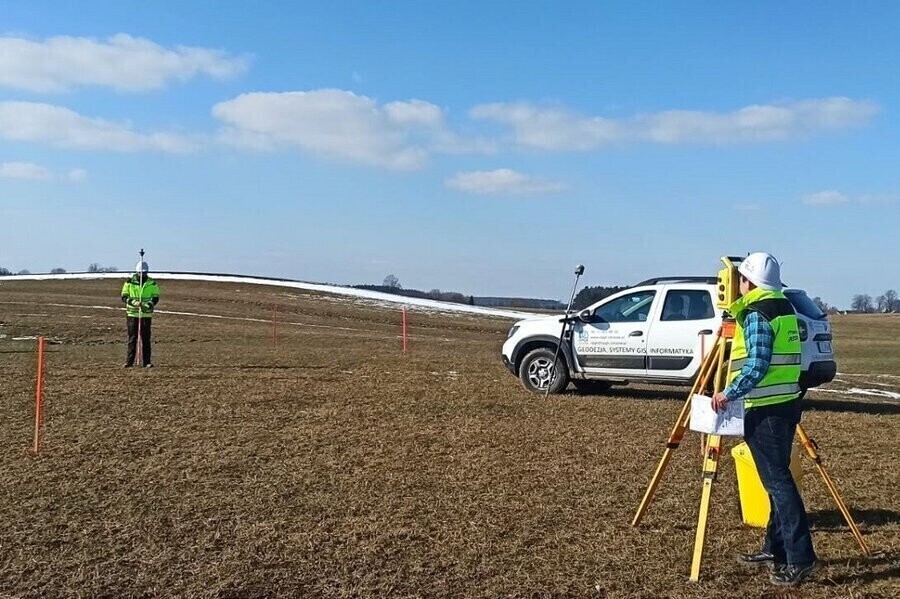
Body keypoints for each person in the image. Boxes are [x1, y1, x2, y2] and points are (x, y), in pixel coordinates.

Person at [711, 252, 817, 587]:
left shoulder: (756, 313)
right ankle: (777, 547)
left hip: (767, 409)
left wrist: (728, 392)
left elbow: (757, 364)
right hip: (786, 404)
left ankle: (800, 558)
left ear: (747, 281)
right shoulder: (785, 307)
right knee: (776, 482)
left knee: (778, 484)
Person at [121, 261, 161, 367]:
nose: (142, 275)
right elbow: (124, 296)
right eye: (140, 273)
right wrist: (133, 302)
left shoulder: (152, 283)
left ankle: (147, 362)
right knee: (132, 338)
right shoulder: (129, 282)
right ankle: (129, 362)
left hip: (146, 314)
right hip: (132, 314)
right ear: (136, 272)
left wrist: (149, 304)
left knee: (146, 338)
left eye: (144, 273)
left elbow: (156, 297)